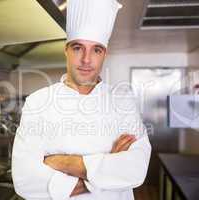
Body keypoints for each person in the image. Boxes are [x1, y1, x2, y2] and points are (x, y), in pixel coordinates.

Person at [12, 0, 151, 199]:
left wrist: (63, 162)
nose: (86, 59)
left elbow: (136, 169)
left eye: (96, 49)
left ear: (105, 54)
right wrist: (107, 169)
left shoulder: (123, 101)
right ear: (66, 50)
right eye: (78, 48)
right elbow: (24, 179)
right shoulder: (38, 102)